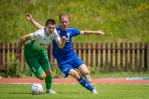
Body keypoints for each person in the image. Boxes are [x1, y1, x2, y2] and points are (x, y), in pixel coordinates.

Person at [26, 13, 104, 94]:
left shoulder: (71, 30)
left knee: (86, 71)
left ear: (69, 22)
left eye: (66, 22)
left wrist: (96, 32)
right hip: (62, 61)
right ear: (59, 21)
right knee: (75, 74)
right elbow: (40, 27)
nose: (64, 23)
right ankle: (92, 89)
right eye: (62, 21)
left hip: (72, 56)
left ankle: (86, 75)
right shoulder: (54, 30)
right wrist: (31, 20)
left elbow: (84, 32)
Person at [15, 18, 67, 94]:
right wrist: (18, 51)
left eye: (53, 28)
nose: (51, 30)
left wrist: (62, 43)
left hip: (41, 51)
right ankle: (29, 66)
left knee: (48, 72)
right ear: (45, 27)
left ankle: (48, 91)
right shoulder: (39, 34)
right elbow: (23, 38)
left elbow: (60, 45)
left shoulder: (54, 32)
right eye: (49, 28)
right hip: (30, 52)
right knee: (42, 77)